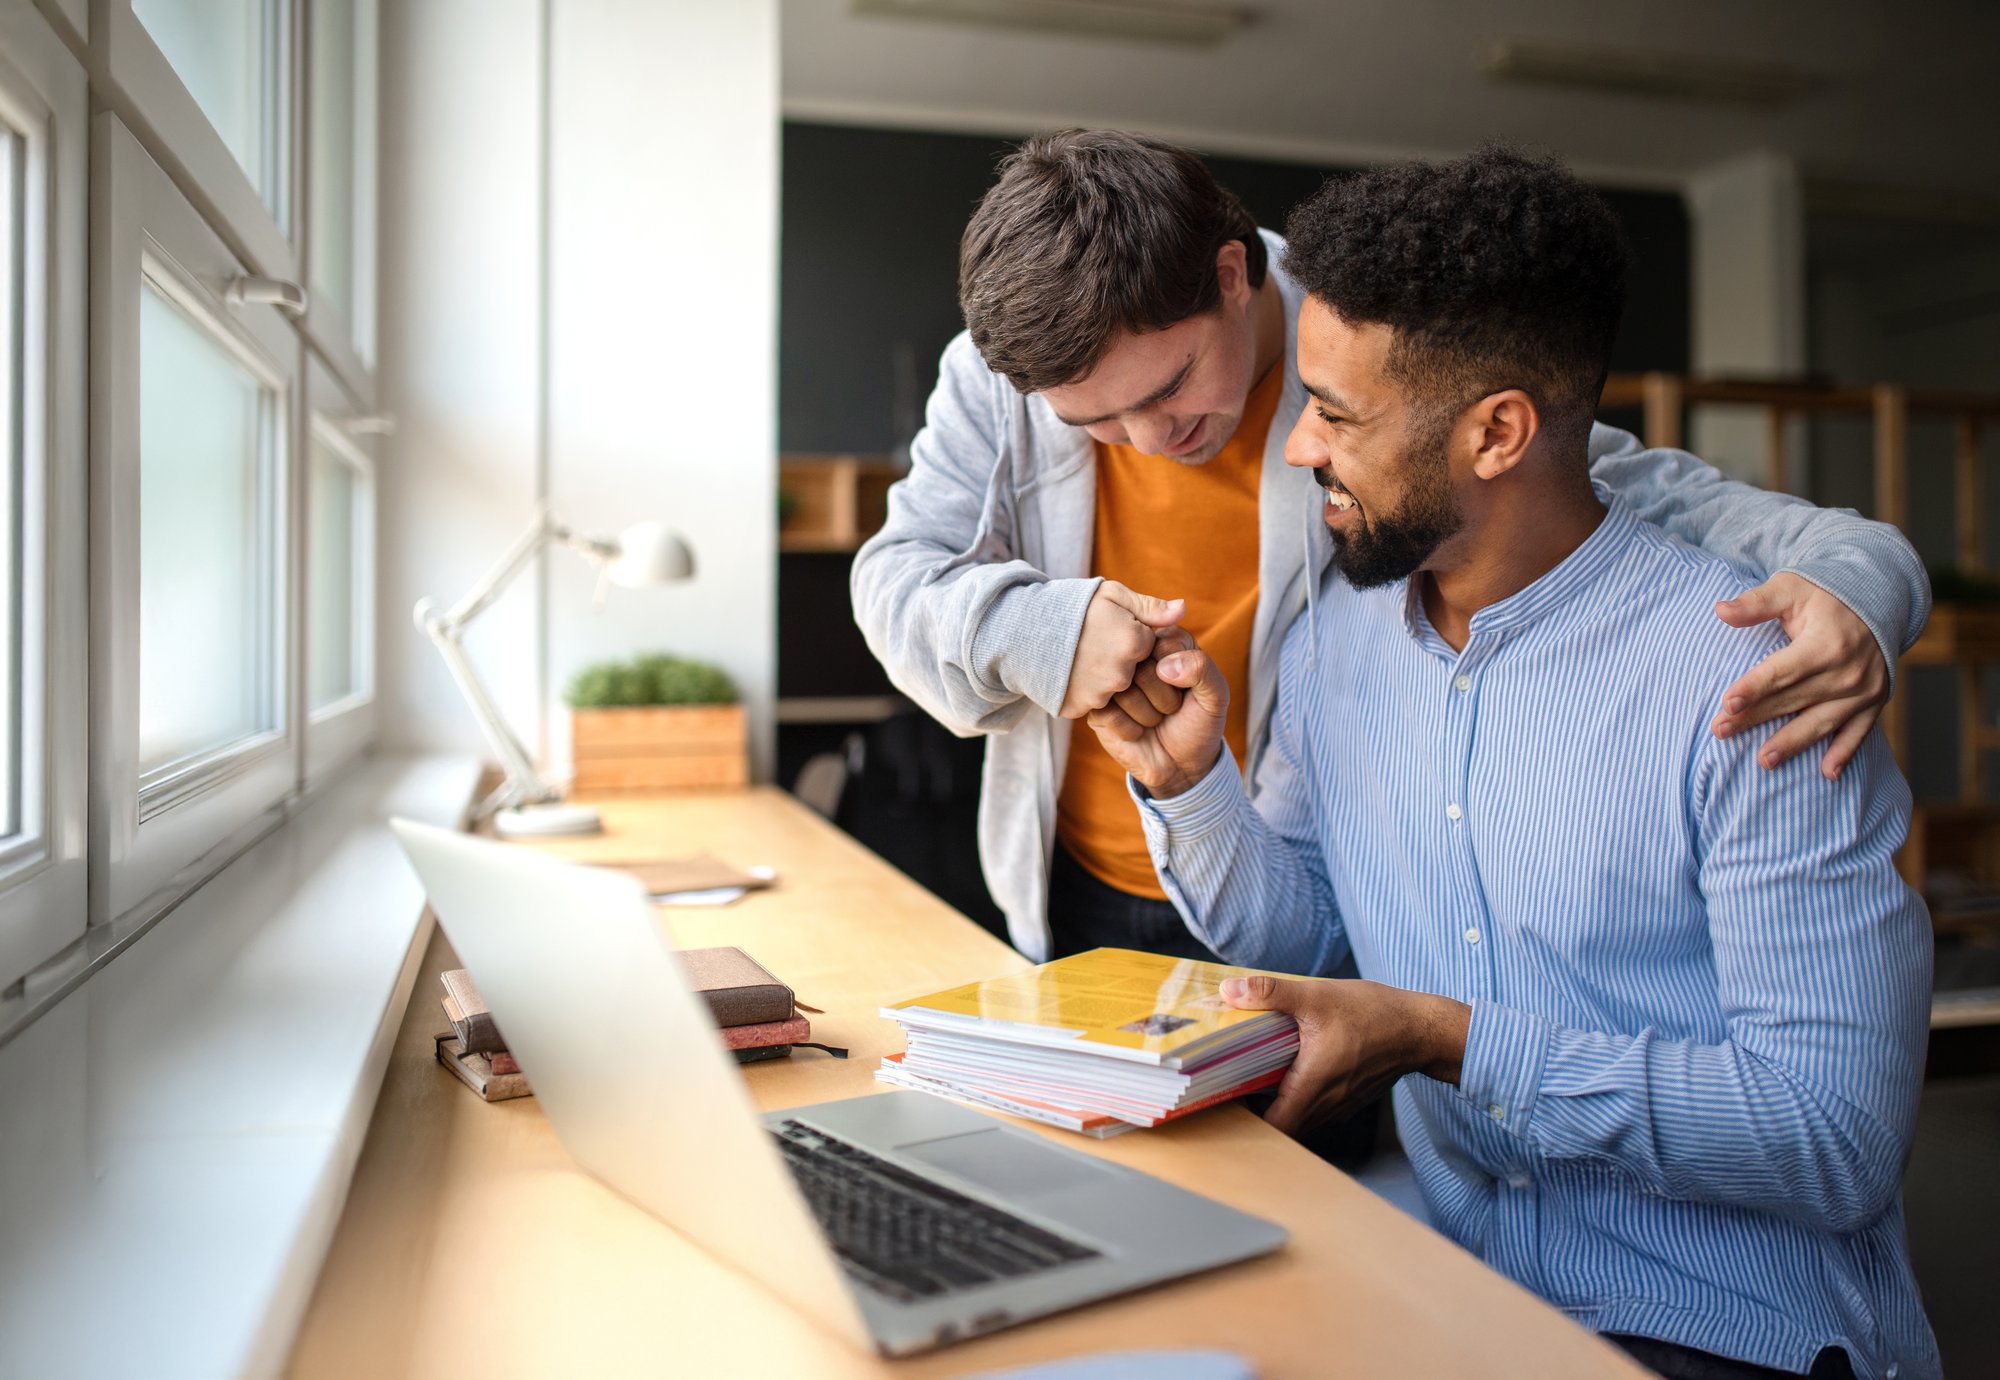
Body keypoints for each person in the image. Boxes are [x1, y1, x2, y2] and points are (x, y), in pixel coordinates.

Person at [1085, 147, 1936, 1380]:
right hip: (1449, 1277)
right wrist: (1187, 779)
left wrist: (1449, 1038)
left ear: (1496, 433)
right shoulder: (1337, 639)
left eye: (1334, 414)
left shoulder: (1752, 682)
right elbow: (1300, 934)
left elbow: (1833, 1142)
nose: (1295, 452)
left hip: (1717, 1324)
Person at [851, 128, 1930, 966]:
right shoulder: (1001, 374)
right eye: (1091, 423)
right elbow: (895, 579)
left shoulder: (1366, 335)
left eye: (1169, 389)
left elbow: (1598, 468)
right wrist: (1048, 626)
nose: (1147, 443)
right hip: (1070, 872)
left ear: (1233, 275)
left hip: (1306, 898)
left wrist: (1860, 578)